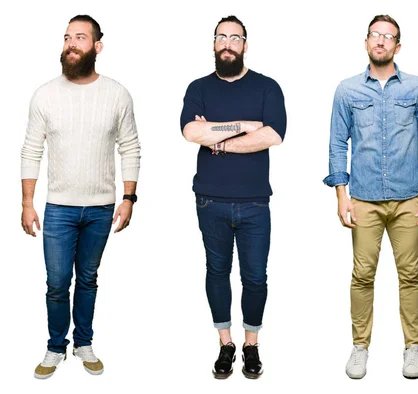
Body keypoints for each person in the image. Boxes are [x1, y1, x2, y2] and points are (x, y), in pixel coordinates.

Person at [324, 14, 418, 380]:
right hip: (363, 199)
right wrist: (341, 196)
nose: (380, 41)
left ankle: (413, 347)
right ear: (366, 42)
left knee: (410, 275)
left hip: (409, 197)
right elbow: (336, 145)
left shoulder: (417, 88)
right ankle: (360, 346)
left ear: (398, 45)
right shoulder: (347, 90)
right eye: (375, 35)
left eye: (388, 36)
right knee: (362, 275)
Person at [21, 15, 141, 379]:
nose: (71, 44)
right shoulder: (45, 94)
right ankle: (56, 346)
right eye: (67, 37)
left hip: (102, 208)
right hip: (58, 208)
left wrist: (129, 198)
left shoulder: (117, 94)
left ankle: (83, 342)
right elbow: (31, 150)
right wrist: (27, 203)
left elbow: (130, 147)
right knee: (57, 283)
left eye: (80, 38)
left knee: (87, 279)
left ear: (97, 47)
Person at [180, 15, 286, 380]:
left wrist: (218, 140)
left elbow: (272, 136)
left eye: (235, 37)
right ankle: (225, 343)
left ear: (245, 45)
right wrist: (244, 125)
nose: (227, 43)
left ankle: (251, 344)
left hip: (255, 201)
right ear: (213, 44)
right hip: (210, 199)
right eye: (221, 37)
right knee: (217, 272)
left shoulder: (267, 87)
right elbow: (191, 131)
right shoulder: (198, 87)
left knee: (256, 277)